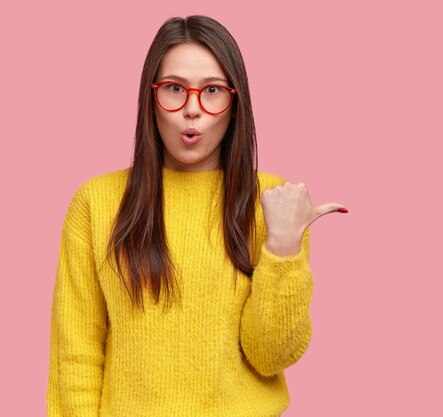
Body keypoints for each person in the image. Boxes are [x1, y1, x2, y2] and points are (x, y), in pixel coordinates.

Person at [46, 15, 347, 417]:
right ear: (149, 97)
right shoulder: (96, 202)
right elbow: (76, 358)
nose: (192, 110)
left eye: (212, 91)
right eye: (174, 88)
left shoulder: (275, 202)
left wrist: (284, 247)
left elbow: (271, 355)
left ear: (235, 101)